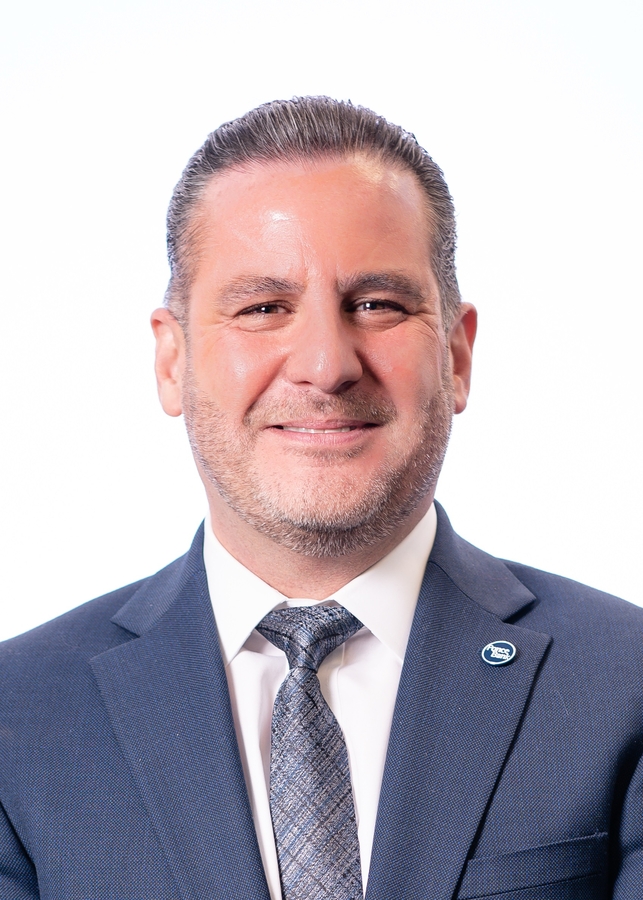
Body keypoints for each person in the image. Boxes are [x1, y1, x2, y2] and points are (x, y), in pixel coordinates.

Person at [0, 97, 642, 900]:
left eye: (376, 305)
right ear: (172, 362)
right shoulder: (18, 719)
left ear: (455, 355)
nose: (326, 365)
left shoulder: (624, 683)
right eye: (263, 308)